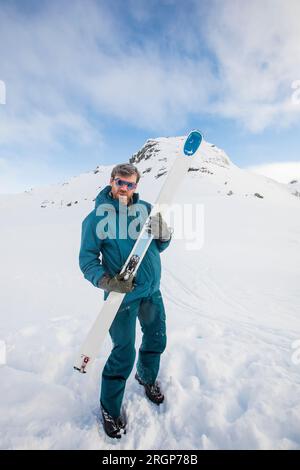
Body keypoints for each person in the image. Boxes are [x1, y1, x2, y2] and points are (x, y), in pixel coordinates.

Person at [79, 163, 172, 439]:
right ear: (111, 180)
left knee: (156, 339)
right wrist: (106, 281)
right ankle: (109, 407)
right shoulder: (96, 218)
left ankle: (146, 376)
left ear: (136, 186)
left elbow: (159, 245)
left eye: (130, 184)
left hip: (151, 291)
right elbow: (87, 260)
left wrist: (164, 234)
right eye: (120, 182)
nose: (125, 188)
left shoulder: (145, 211)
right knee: (123, 353)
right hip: (121, 297)